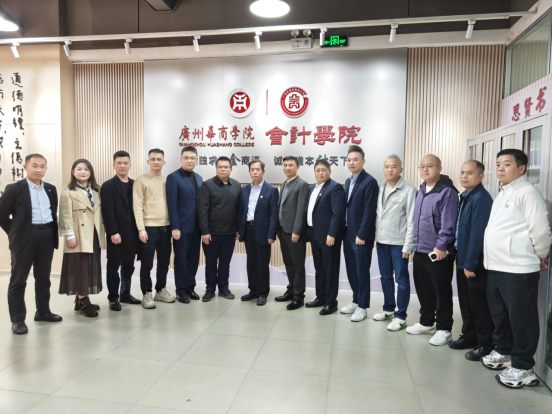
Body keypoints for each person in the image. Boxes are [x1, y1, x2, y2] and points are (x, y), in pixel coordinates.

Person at [482, 149, 552, 389]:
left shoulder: (528, 192)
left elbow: (540, 230)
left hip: (518, 268)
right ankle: (504, 352)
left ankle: (523, 367)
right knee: (500, 315)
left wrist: (540, 254)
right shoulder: (503, 193)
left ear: (521, 168)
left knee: (523, 319)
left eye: (507, 164)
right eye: (498, 164)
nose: (500, 168)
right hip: (496, 266)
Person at [0, 154, 62, 334]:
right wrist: (14, 232)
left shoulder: (50, 189)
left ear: (46, 169)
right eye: (34, 166)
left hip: (47, 235)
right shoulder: (14, 189)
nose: (38, 169)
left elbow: (53, 212)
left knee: (43, 278)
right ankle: (18, 319)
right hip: (24, 238)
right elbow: (2, 214)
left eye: (42, 166)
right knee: (18, 280)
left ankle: (43, 312)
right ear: (26, 167)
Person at [407, 154, 458, 346]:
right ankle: (426, 322)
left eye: (429, 166)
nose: (425, 170)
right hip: (420, 249)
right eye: (422, 166)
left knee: (441, 291)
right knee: (424, 289)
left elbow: (448, 223)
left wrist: (441, 246)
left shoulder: (447, 192)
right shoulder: (421, 189)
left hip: (438, 251)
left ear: (439, 168)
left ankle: (444, 329)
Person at [449, 160, 494, 361]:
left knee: (478, 305)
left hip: (472, 262)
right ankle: (469, 336)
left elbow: (478, 233)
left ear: (481, 176)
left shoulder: (481, 198)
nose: (464, 176)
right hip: (463, 258)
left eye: (470, 173)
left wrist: (470, 263)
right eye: (462, 172)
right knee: (466, 302)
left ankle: (485, 344)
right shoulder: (466, 196)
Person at [373, 155, 416, 331]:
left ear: (401, 169)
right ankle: (388, 308)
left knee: (402, 280)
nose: (389, 170)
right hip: (381, 241)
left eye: (394, 166)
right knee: (385, 277)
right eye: (386, 166)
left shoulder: (409, 190)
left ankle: (401, 316)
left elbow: (412, 220)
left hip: (399, 243)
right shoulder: (380, 188)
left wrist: (408, 245)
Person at [58, 159, 106, 317]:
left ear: (91, 172)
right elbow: (64, 215)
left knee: (90, 267)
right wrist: (69, 235)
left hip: (94, 234)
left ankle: (79, 299)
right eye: (79, 169)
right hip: (78, 236)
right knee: (80, 268)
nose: (83, 172)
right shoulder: (68, 191)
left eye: (86, 169)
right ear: (73, 172)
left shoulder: (97, 190)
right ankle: (84, 301)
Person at [133, 149, 175, 309]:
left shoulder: (167, 180)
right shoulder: (141, 181)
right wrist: (141, 228)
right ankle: (146, 293)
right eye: (153, 159)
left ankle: (160, 290)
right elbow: (137, 206)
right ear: (148, 161)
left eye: (159, 159)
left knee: (164, 262)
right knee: (147, 263)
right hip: (148, 229)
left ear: (164, 162)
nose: (156, 162)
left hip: (165, 228)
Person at [340, 145, 378, 322]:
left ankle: (363, 306)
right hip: (348, 233)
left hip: (361, 236)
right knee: (351, 270)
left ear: (363, 161)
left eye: (355, 159)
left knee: (362, 271)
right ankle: (356, 300)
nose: (351, 163)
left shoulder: (369, 182)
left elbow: (369, 211)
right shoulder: (348, 181)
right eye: (349, 160)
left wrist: (362, 235)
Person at [100, 151, 141, 311]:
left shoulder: (135, 184)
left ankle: (125, 294)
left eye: (125, 163)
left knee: (129, 266)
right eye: (119, 163)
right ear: (114, 165)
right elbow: (107, 211)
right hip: (117, 233)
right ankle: (113, 298)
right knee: (113, 267)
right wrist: (113, 232)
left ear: (130, 165)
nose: (122, 166)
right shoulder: (108, 185)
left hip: (133, 233)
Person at [305, 159, 346, 315]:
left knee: (330, 270)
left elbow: (338, 213)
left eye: (323, 170)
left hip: (328, 237)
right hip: (314, 235)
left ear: (330, 171)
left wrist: (332, 234)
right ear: (314, 172)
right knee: (320, 268)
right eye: (318, 170)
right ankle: (321, 297)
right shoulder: (312, 188)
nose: (320, 173)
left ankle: (331, 302)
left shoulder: (335, 187)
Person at [197, 156, 241, 302]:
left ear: (231, 169)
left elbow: (239, 209)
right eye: (220, 167)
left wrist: (238, 229)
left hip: (230, 233)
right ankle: (210, 289)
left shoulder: (236, 185)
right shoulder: (208, 185)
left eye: (226, 167)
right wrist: (204, 231)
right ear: (216, 169)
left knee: (224, 263)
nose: (223, 169)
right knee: (211, 263)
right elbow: (202, 210)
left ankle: (223, 288)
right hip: (211, 234)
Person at [238, 160, 279, 306]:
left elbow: (274, 214)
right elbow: (241, 211)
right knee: (251, 262)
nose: (255, 172)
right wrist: (240, 230)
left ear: (263, 171)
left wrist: (271, 233)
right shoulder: (244, 189)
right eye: (252, 169)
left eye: (258, 169)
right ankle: (253, 290)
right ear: (249, 171)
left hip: (263, 231)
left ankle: (262, 293)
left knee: (262, 263)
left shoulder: (271, 190)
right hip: (248, 229)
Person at [167, 146, 203, 304]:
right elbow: (172, 204)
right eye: (186, 158)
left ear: (197, 160)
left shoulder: (199, 178)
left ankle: (190, 287)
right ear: (181, 159)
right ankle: (181, 291)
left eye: (192, 158)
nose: (190, 160)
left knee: (194, 259)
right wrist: (175, 227)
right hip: (181, 227)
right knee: (181, 259)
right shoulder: (173, 177)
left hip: (196, 226)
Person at [275, 156, 310, 310]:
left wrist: (297, 231)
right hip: (283, 230)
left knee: (298, 265)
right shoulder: (284, 183)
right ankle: (291, 290)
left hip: (294, 232)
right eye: (285, 165)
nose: (287, 168)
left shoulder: (302, 184)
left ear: (298, 167)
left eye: (291, 165)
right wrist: (278, 228)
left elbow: (301, 210)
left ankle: (299, 297)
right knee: (288, 263)